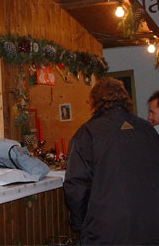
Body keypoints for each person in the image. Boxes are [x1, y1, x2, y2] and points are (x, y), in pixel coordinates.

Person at [64, 77, 159, 245]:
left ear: (95, 102)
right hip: (150, 224)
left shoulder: (88, 133)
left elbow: (76, 185)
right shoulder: (148, 130)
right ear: (125, 99)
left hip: (107, 229)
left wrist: (80, 224)